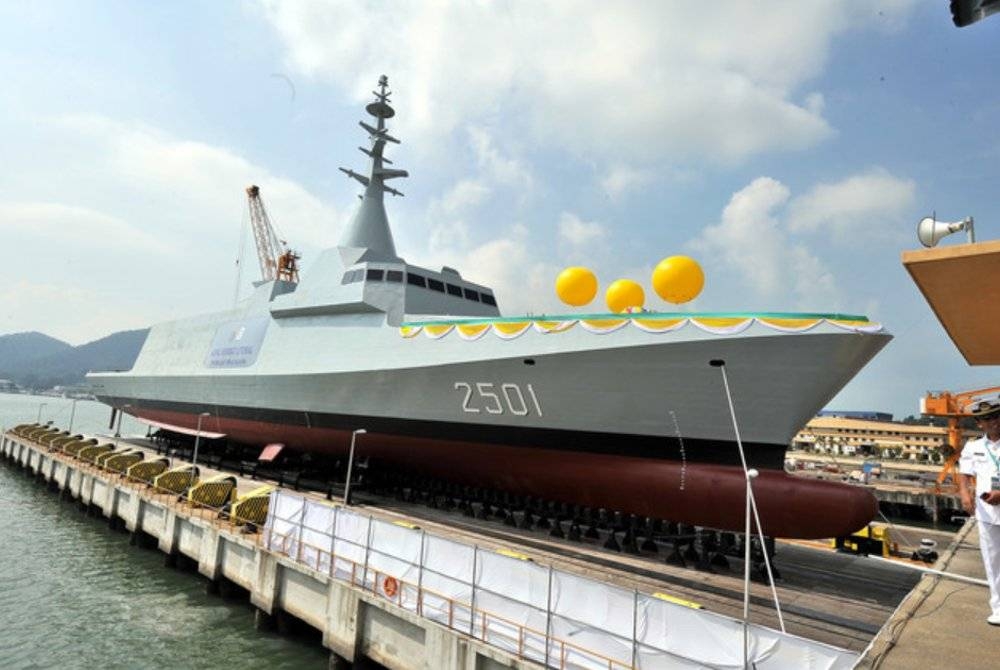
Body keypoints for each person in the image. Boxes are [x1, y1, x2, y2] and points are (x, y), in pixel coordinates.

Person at [958, 396, 1000, 626]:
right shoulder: (973, 446)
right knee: (992, 562)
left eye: (997, 416)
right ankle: (998, 608)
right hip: (987, 514)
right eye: (988, 418)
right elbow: (965, 473)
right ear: (979, 423)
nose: (994, 422)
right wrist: (965, 495)